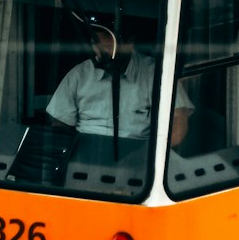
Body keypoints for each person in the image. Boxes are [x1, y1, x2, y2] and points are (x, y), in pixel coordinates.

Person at [47, 19, 189, 148]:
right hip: (85, 151)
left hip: (137, 155)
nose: (100, 56)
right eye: (96, 47)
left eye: (108, 49)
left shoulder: (156, 74)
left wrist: (150, 158)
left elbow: (178, 128)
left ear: (129, 44)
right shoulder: (79, 74)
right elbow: (60, 122)